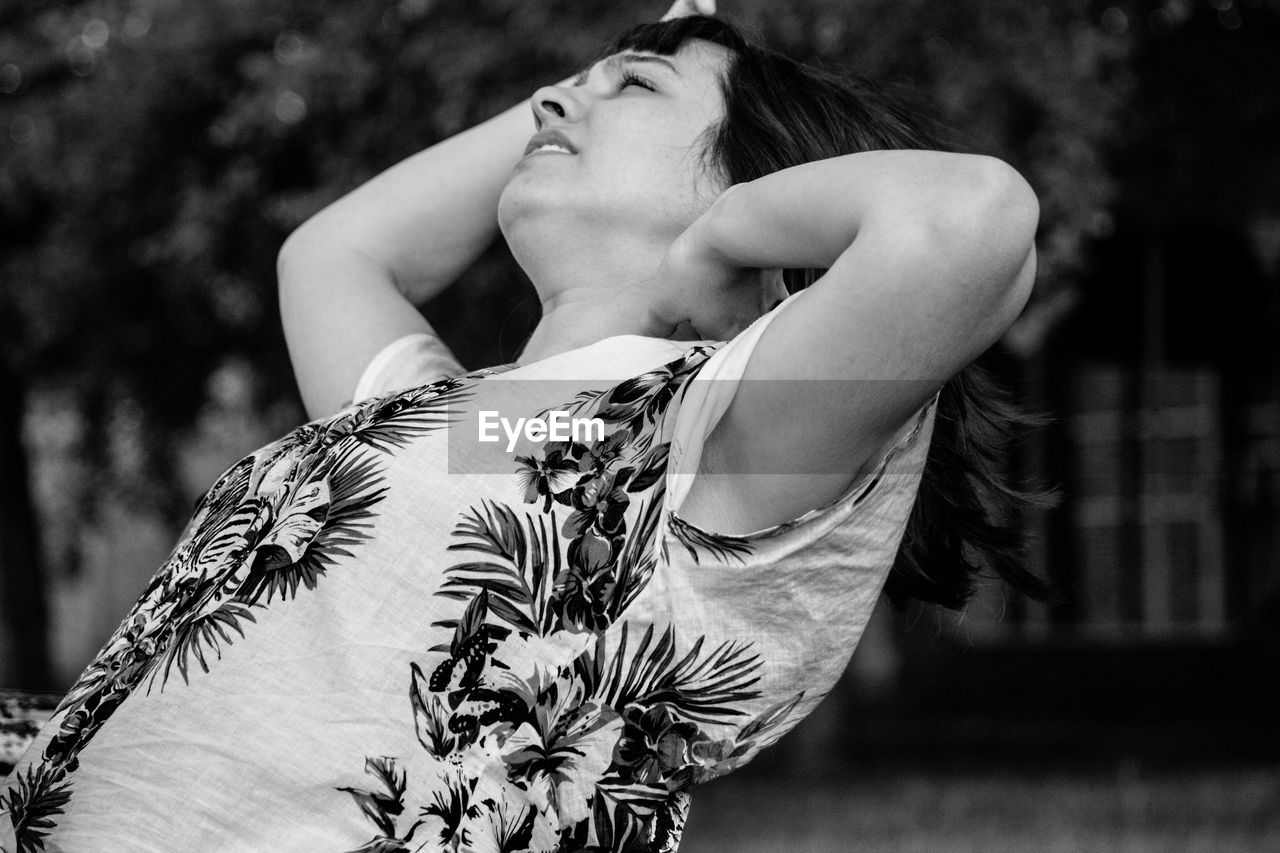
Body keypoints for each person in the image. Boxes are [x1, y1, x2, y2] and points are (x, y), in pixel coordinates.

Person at [1, 1, 1048, 850]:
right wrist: (607, 75)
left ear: (766, 178)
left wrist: (713, 238)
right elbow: (332, 256)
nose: (549, 100)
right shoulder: (469, 429)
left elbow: (968, 221)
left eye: (634, 91)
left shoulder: (708, 435)